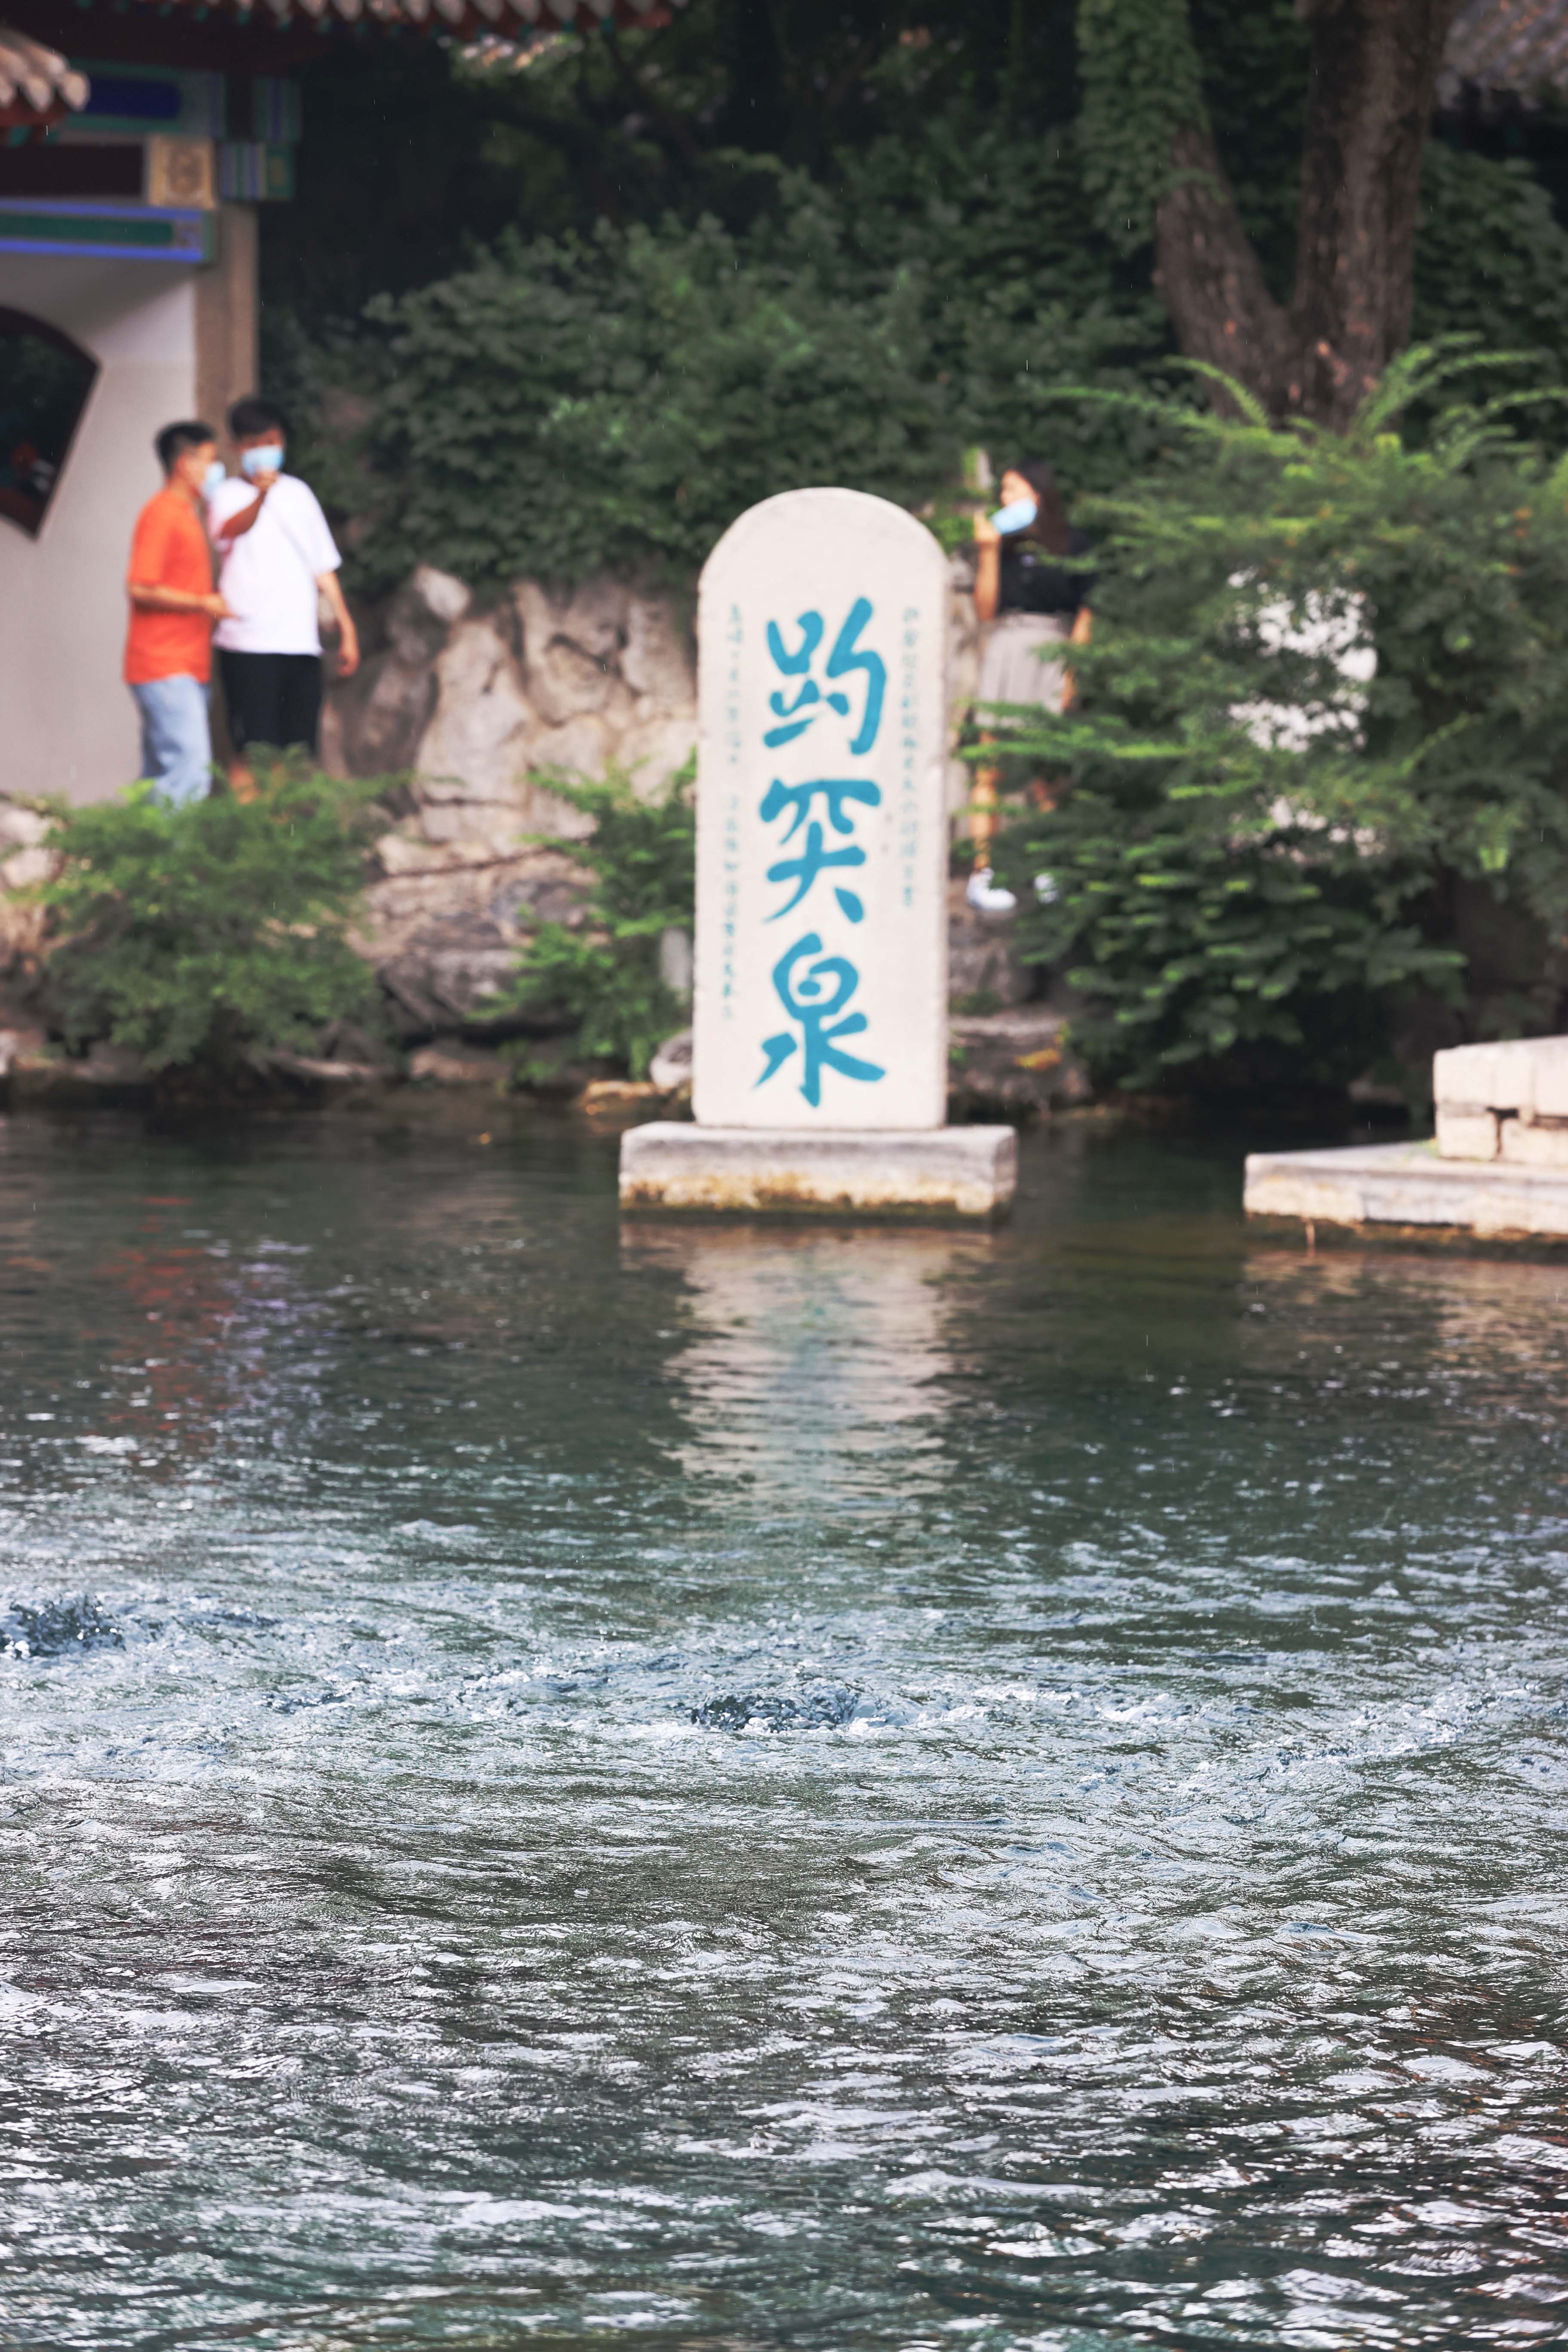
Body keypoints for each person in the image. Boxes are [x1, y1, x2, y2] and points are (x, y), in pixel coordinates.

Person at [205, 395, 359, 793]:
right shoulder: (226, 495)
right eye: (255, 444)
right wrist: (261, 495)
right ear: (239, 447)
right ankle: (248, 844)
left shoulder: (301, 494)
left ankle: (279, 844)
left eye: (272, 442)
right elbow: (230, 530)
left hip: (299, 644)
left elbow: (322, 566)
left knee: (295, 757)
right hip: (247, 644)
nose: (265, 452)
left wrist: (346, 628)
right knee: (252, 752)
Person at [967, 458, 1093, 914]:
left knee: (1047, 773)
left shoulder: (1073, 544)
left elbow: (1085, 611)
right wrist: (986, 551)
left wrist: (1071, 671)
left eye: (1013, 490)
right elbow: (985, 610)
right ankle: (984, 871)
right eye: (1003, 491)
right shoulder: (1001, 546)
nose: (1005, 499)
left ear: (1038, 494)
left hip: (1053, 650)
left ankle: (1049, 867)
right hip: (1007, 646)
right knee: (991, 764)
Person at [124, 420, 230, 805]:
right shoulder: (163, 513)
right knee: (189, 779)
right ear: (185, 464)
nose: (215, 470)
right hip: (165, 666)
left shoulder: (189, 513)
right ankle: (167, 868)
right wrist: (204, 603)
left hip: (183, 666)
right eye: (210, 460)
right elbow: (139, 587)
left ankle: (137, 862)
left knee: (158, 782)